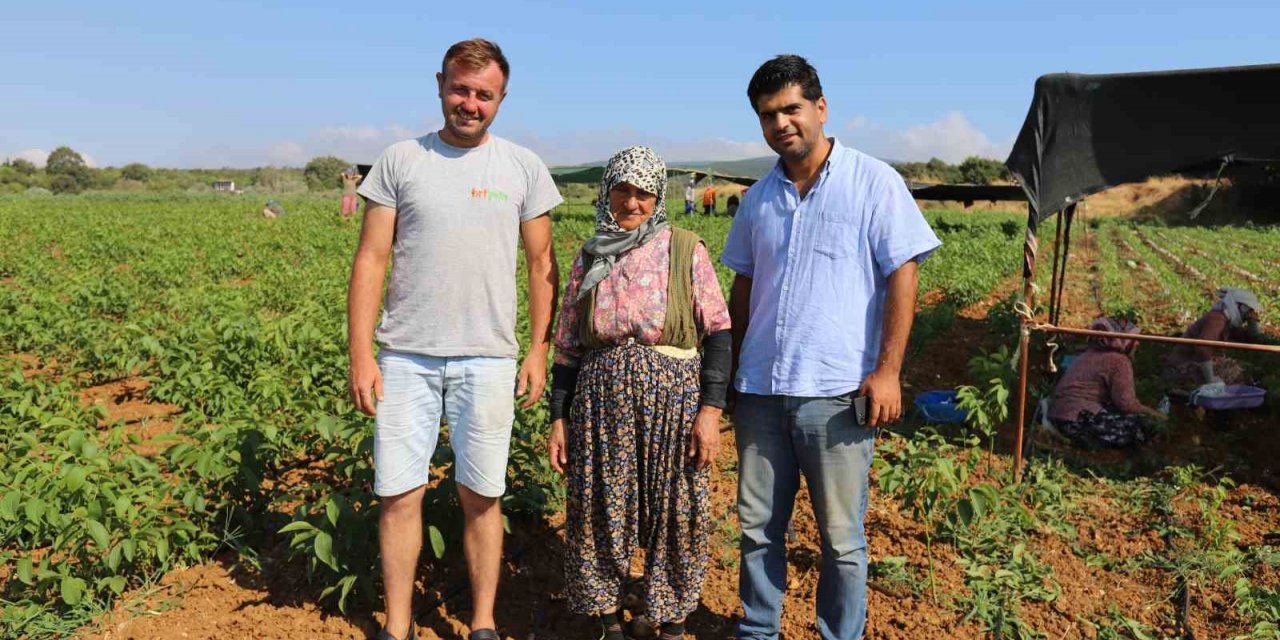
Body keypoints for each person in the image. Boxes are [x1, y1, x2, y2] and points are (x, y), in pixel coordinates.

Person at [347, 38, 564, 640]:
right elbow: (370, 259)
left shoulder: (522, 167)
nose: (470, 103)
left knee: (482, 495)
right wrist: (361, 353)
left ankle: (483, 623)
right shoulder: (400, 160)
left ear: (502, 99)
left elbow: (542, 263)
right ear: (440, 84)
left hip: (488, 358)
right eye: (460, 89)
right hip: (405, 356)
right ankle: (397, 626)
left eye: (483, 94)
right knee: (399, 494)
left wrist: (538, 347)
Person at [722, 55, 941, 640]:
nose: (781, 123)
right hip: (762, 390)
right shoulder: (758, 198)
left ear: (820, 108)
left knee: (841, 540)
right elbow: (743, 286)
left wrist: (888, 371)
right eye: (768, 115)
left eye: (791, 109)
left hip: (837, 394)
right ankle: (758, 629)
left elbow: (903, 273)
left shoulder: (873, 182)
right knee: (758, 530)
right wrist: (731, 374)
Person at [546, 146, 732, 640]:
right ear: (607, 193)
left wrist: (710, 411)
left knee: (677, 511)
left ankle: (669, 624)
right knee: (600, 510)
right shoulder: (591, 255)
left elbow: (718, 332)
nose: (632, 202)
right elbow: (567, 348)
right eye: (622, 190)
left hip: (674, 405)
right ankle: (609, 623)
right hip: (600, 406)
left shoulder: (684, 249)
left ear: (659, 197)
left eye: (644, 192)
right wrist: (559, 418)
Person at [1049, 317, 1164, 449]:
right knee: (1143, 426)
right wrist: (1156, 415)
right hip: (1077, 421)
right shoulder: (1119, 361)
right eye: (1134, 339)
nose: (1137, 344)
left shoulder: (1088, 354)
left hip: (1058, 415)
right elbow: (1126, 404)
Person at [1164, 287, 1264, 389]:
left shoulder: (1225, 321)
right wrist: (1210, 378)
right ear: (1240, 307)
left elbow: (1250, 339)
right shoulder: (1216, 320)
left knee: (1246, 369)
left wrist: (1253, 321)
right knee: (1239, 372)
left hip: (1194, 364)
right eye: (1248, 310)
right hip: (1182, 367)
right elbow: (1203, 349)